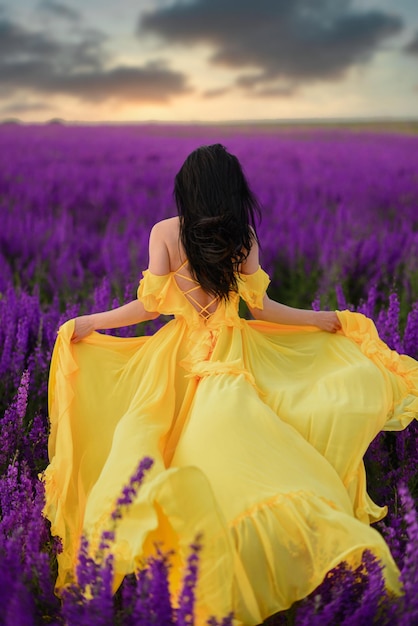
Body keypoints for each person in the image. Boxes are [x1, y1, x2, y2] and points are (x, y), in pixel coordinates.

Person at [43, 144, 417, 625]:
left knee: (148, 442)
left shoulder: (165, 233)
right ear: (231, 189)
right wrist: (325, 320)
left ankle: (180, 549)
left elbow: (149, 308)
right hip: (232, 355)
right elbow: (262, 309)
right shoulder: (244, 237)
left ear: (189, 188)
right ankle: (264, 539)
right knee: (242, 443)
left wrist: (89, 322)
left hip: (175, 358)